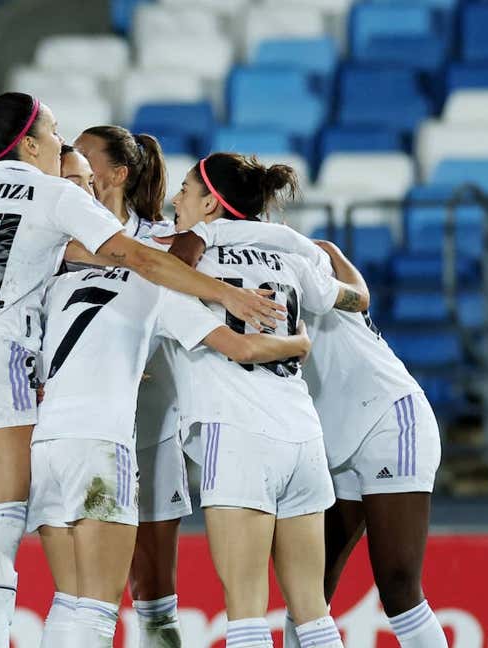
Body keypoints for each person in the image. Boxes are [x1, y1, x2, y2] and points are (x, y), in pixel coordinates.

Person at [0, 68, 278, 648]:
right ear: (28, 142)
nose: (61, 144)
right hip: (36, 390)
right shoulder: (56, 198)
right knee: (51, 574)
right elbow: (138, 258)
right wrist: (226, 292)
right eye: (53, 133)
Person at [173, 222, 449, 648]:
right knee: (308, 599)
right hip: (327, 439)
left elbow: (356, 296)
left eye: (186, 198)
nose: (177, 217)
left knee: (398, 588)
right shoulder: (205, 264)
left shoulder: (298, 254)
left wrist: (205, 233)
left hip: (387, 418)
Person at [29, 264, 311, 648]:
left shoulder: (60, 278)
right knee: (102, 609)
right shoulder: (160, 279)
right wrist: (299, 344)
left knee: (71, 600)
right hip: (107, 442)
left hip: (51, 440)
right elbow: (241, 347)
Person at [168, 153, 370, 648]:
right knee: (314, 613)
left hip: (236, 435)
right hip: (302, 437)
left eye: (186, 191)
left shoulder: (185, 269)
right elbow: (357, 299)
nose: (175, 200)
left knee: (245, 613)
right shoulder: (293, 256)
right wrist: (302, 336)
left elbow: (156, 272)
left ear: (212, 205)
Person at [73, 124, 189, 646]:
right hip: (84, 430)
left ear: (116, 174)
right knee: (84, 595)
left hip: (151, 426)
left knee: (156, 596)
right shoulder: (59, 238)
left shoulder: (166, 242)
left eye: (82, 155)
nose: (69, 160)